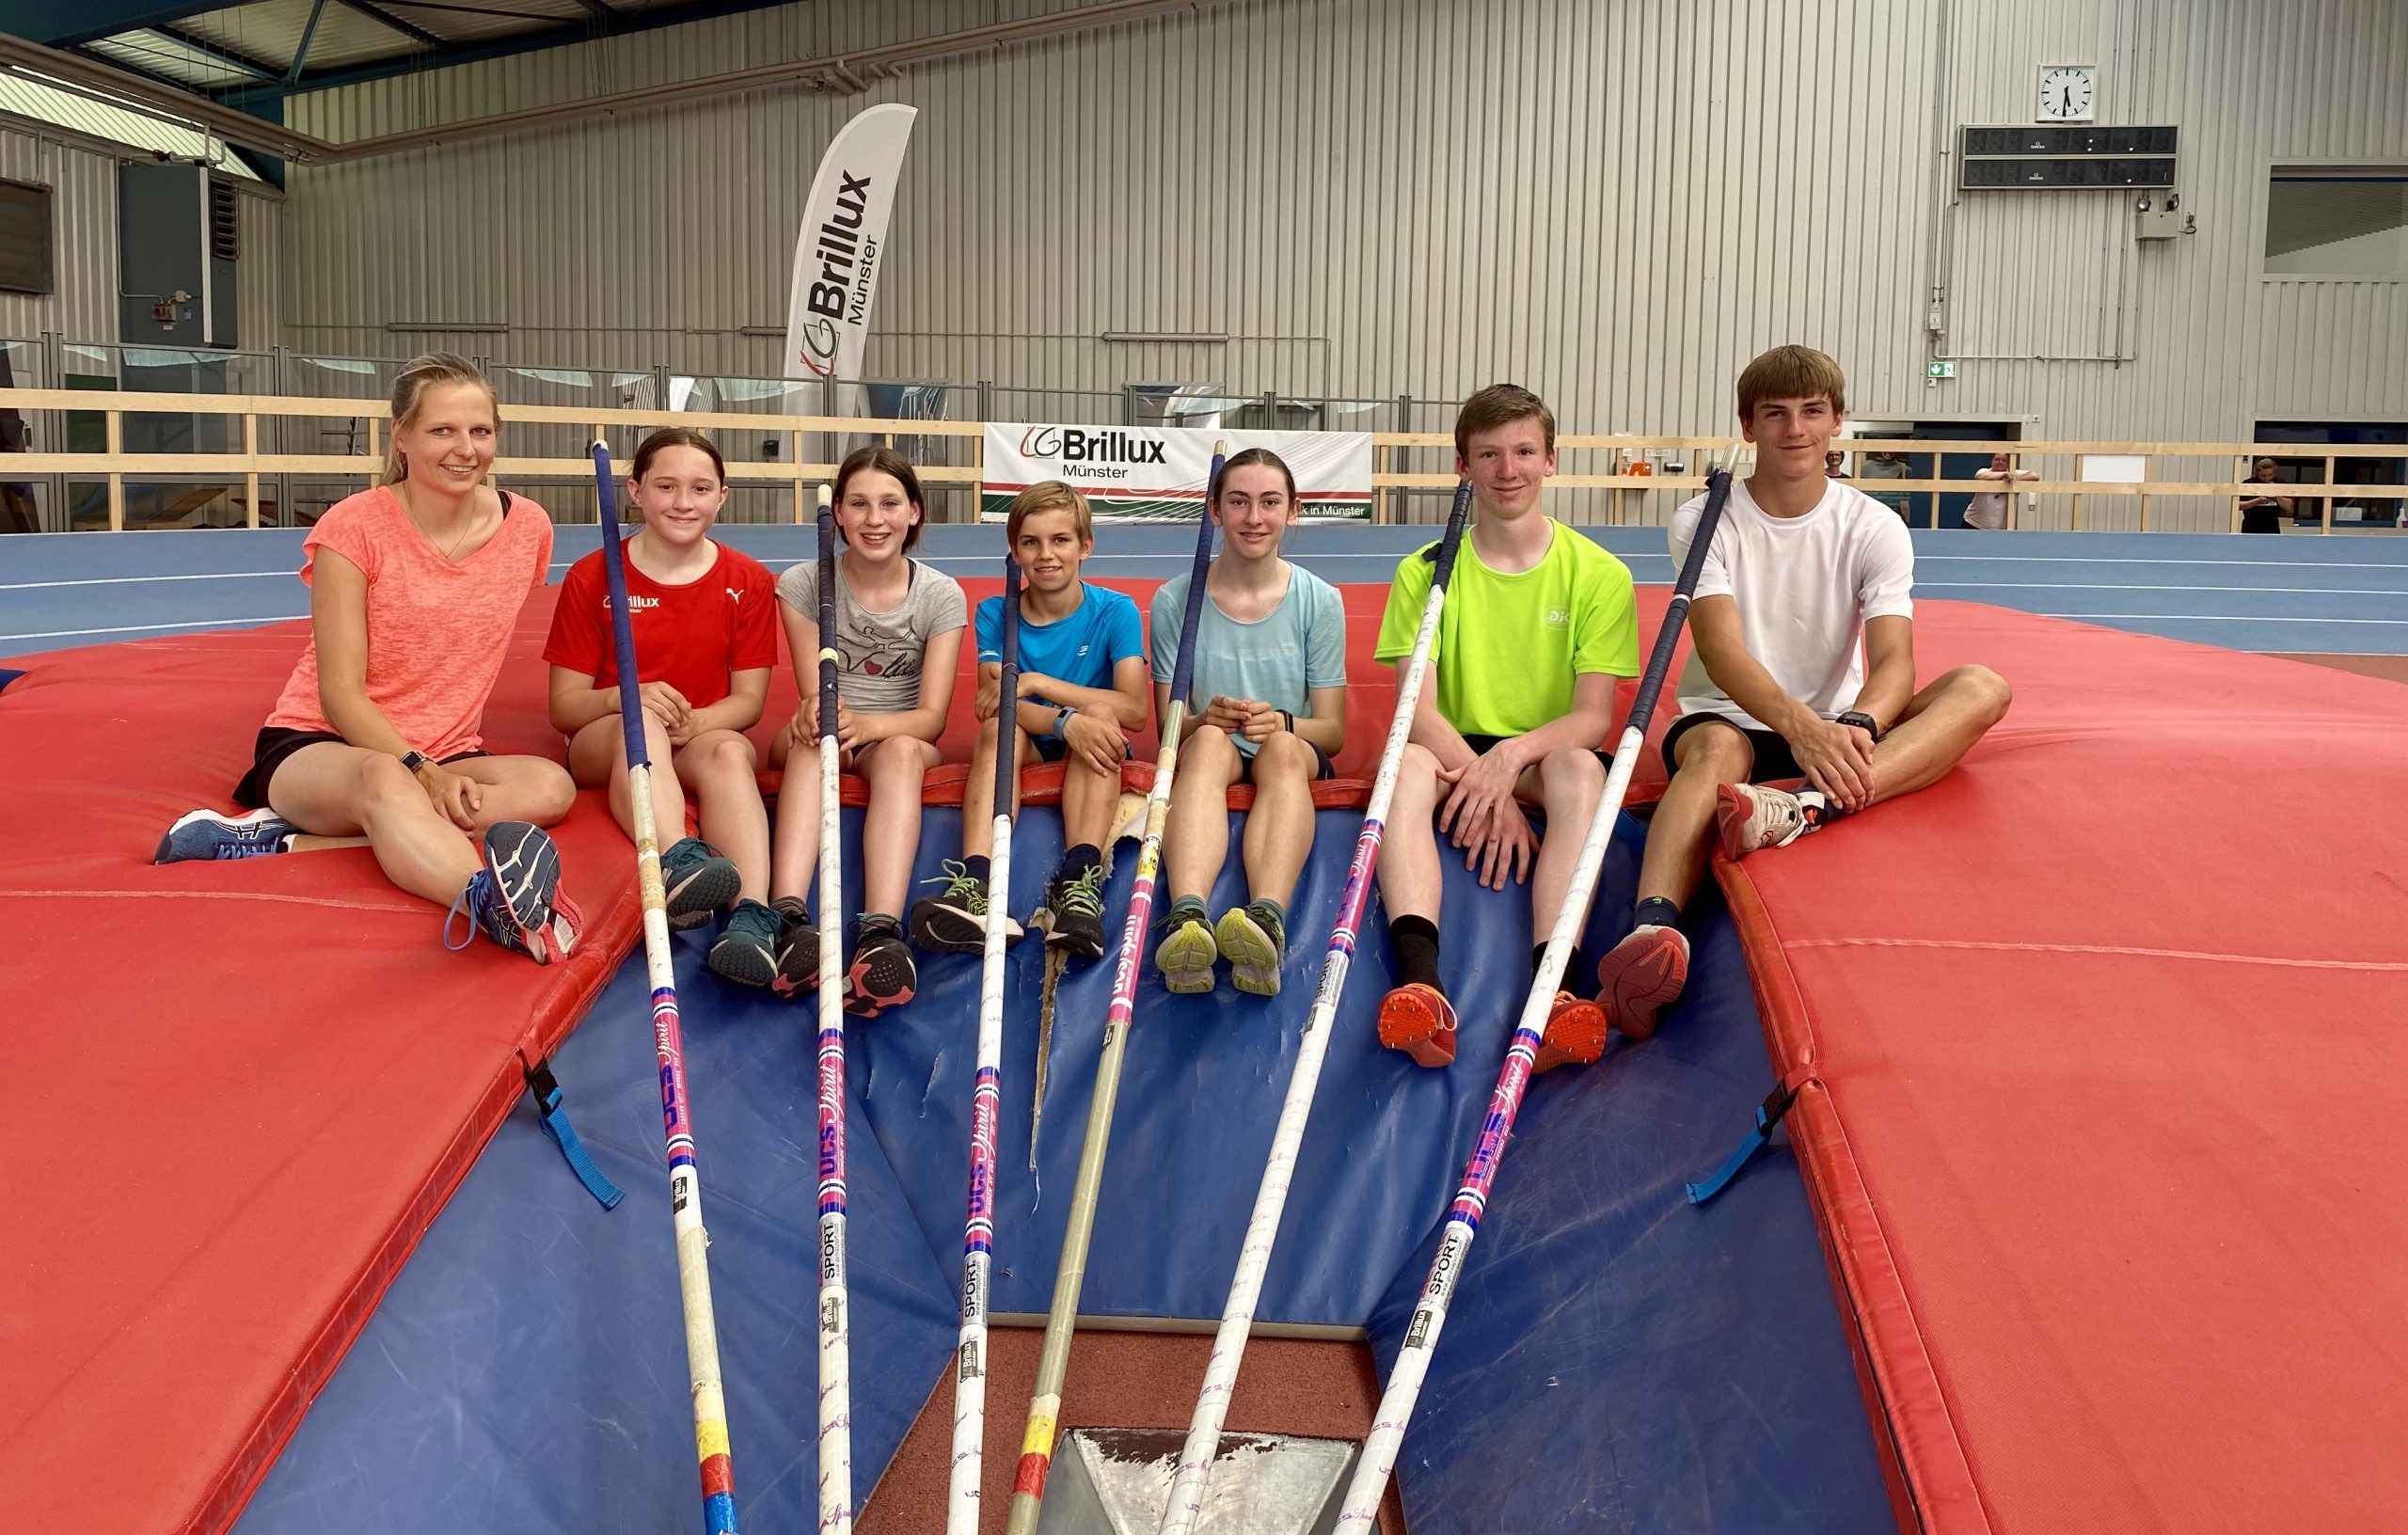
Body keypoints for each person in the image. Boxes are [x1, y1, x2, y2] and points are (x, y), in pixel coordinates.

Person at [1589, 345, 2012, 1045]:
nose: (1795, 429)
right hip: (1729, 713)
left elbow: (1894, 663)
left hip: (1841, 718)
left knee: (1982, 687)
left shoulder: (1873, 526)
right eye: (1775, 414)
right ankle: (1653, 928)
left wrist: (1854, 726)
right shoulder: (1704, 521)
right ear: (1748, 425)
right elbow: (1722, 654)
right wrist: (1803, 730)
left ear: (1837, 421)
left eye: (1812, 412)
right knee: (1717, 751)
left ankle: (1806, 810)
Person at [154, 353, 580, 962]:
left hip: (448, 749)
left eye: (480, 431)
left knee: (549, 786)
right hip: (324, 744)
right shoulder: (353, 528)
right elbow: (341, 694)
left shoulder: (529, 528)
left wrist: (435, 766)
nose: (464, 449)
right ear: (401, 436)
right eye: (441, 431)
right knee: (384, 779)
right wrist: (422, 772)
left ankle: (287, 838)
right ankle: (492, 903)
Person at [1370, 384, 1640, 1070]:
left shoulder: (1599, 575)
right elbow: (1418, 711)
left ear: (1551, 460)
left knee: (1584, 769)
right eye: (1488, 454)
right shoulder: (1424, 573)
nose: (1507, 470)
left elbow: (1591, 718)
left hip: (1547, 750)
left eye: (1523, 452)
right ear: (1462, 466)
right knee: (1400, 765)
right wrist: (1482, 781)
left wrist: (1510, 765)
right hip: (1448, 747)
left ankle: (1554, 992)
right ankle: (1420, 984)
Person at [544, 426, 779, 983]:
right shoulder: (593, 577)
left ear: (722, 496)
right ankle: (678, 859)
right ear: (635, 491)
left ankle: (752, 915)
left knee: (728, 750)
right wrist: (629, 699)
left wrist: (695, 722)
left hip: (693, 733)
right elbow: (564, 709)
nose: (682, 502)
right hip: (605, 740)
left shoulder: (747, 580)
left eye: (700, 489)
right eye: (666, 486)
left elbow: (747, 703)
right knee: (641, 720)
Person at [909, 480, 1149, 966]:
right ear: (1014, 549)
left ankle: (1079, 885)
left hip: (1093, 745)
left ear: (1085, 546)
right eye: (1030, 542)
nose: (1046, 555)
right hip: (1032, 740)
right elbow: (993, 704)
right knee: (999, 730)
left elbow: (1134, 710)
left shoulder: (1115, 610)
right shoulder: (997, 613)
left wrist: (1042, 685)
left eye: (1060, 540)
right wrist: (1064, 724)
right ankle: (976, 881)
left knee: (1101, 715)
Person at [771, 446, 968, 1014]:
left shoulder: (939, 595)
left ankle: (882, 930)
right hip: (826, 731)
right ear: (837, 513)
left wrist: (867, 724)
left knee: (904, 751)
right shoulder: (803, 585)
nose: (874, 519)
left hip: (896, 733)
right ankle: (786, 915)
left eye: (889, 504)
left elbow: (932, 717)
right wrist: (818, 711)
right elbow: (815, 691)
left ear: (914, 513)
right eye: (858, 504)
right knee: (814, 744)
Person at [1150, 449, 1348, 996]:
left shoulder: (1319, 601)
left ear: (1293, 511)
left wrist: (1284, 721)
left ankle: (1266, 919)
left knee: (1283, 750)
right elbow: (1169, 729)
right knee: (1211, 741)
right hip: (1211, 752)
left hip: (1290, 751)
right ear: (1215, 511)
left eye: (1269, 503)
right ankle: (1187, 915)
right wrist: (1198, 719)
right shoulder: (1175, 600)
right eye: (1238, 502)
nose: (1254, 518)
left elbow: (1331, 732)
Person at [1964, 451, 2036, 530]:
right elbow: (1980, 476)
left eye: (2004, 460)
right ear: (1992, 461)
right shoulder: (1984, 471)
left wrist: (2014, 479)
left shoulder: (2013, 474)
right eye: (1997, 459)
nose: (2000, 462)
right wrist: (2003, 475)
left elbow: (2034, 475)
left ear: (2009, 463)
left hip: (1999, 529)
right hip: (1974, 523)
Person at [2236, 456, 2293, 534]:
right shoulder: (2249, 483)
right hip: (2250, 529)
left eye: (2270, 475)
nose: (2267, 479)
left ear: (2274, 473)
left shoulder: (2280, 483)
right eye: (2263, 475)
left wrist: (2276, 494)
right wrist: (2256, 502)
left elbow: (2288, 507)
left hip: (2272, 530)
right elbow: (2237, 506)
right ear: (2257, 473)